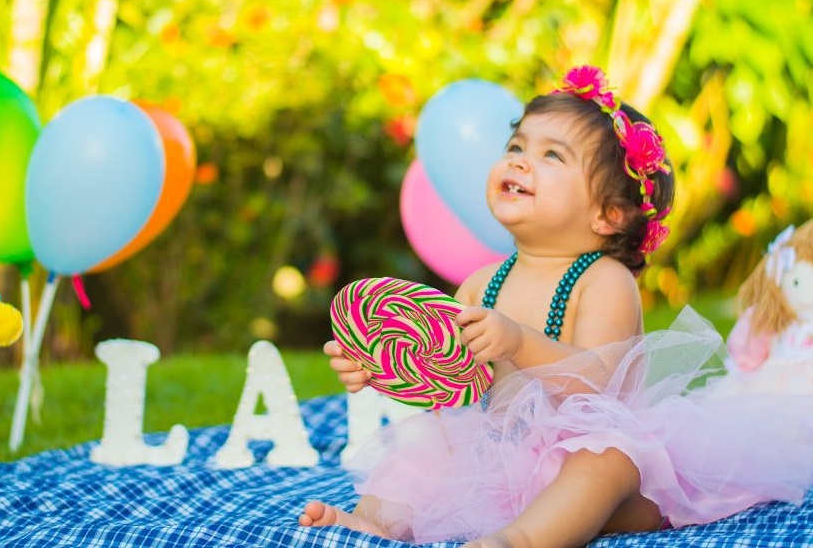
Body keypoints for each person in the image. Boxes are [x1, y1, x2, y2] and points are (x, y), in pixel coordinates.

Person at [297, 65, 813, 547]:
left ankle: (520, 539)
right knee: (422, 449)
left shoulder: (602, 281)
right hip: (497, 458)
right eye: (516, 145)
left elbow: (599, 381)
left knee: (604, 461)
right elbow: (447, 383)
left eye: (552, 155)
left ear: (608, 216)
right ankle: (372, 521)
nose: (520, 159)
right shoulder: (480, 284)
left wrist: (519, 342)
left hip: (589, 459)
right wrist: (380, 366)